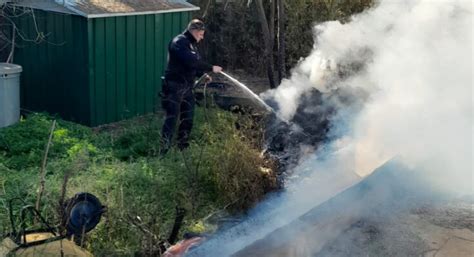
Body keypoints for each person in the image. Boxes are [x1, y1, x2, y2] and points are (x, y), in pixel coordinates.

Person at [160, 19, 222, 154]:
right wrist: (211, 68)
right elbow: (191, 61)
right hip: (174, 87)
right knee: (172, 118)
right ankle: (163, 151)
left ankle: (182, 147)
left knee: (187, 118)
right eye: (201, 34)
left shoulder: (191, 45)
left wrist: (202, 75)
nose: (202, 37)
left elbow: (191, 66)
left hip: (187, 88)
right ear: (194, 31)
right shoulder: (179, 42)